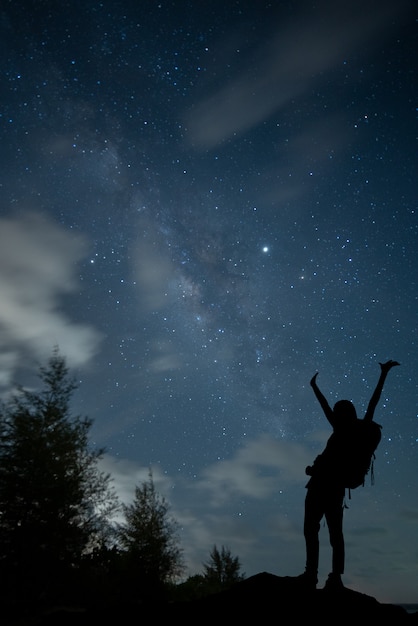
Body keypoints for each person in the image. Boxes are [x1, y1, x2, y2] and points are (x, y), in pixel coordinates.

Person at [298, 359, 400, 591]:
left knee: (320, 531)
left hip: (325, 485)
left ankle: (318, 575)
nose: (334, 413)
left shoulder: (349, 429)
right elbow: (366, 404)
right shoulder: (353, 429)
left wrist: (383, 374)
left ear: (343, 413)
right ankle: (327, 576)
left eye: (338, 411)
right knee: (328, 532)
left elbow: (373, 401)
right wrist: (314, 388)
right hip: (327, 485)